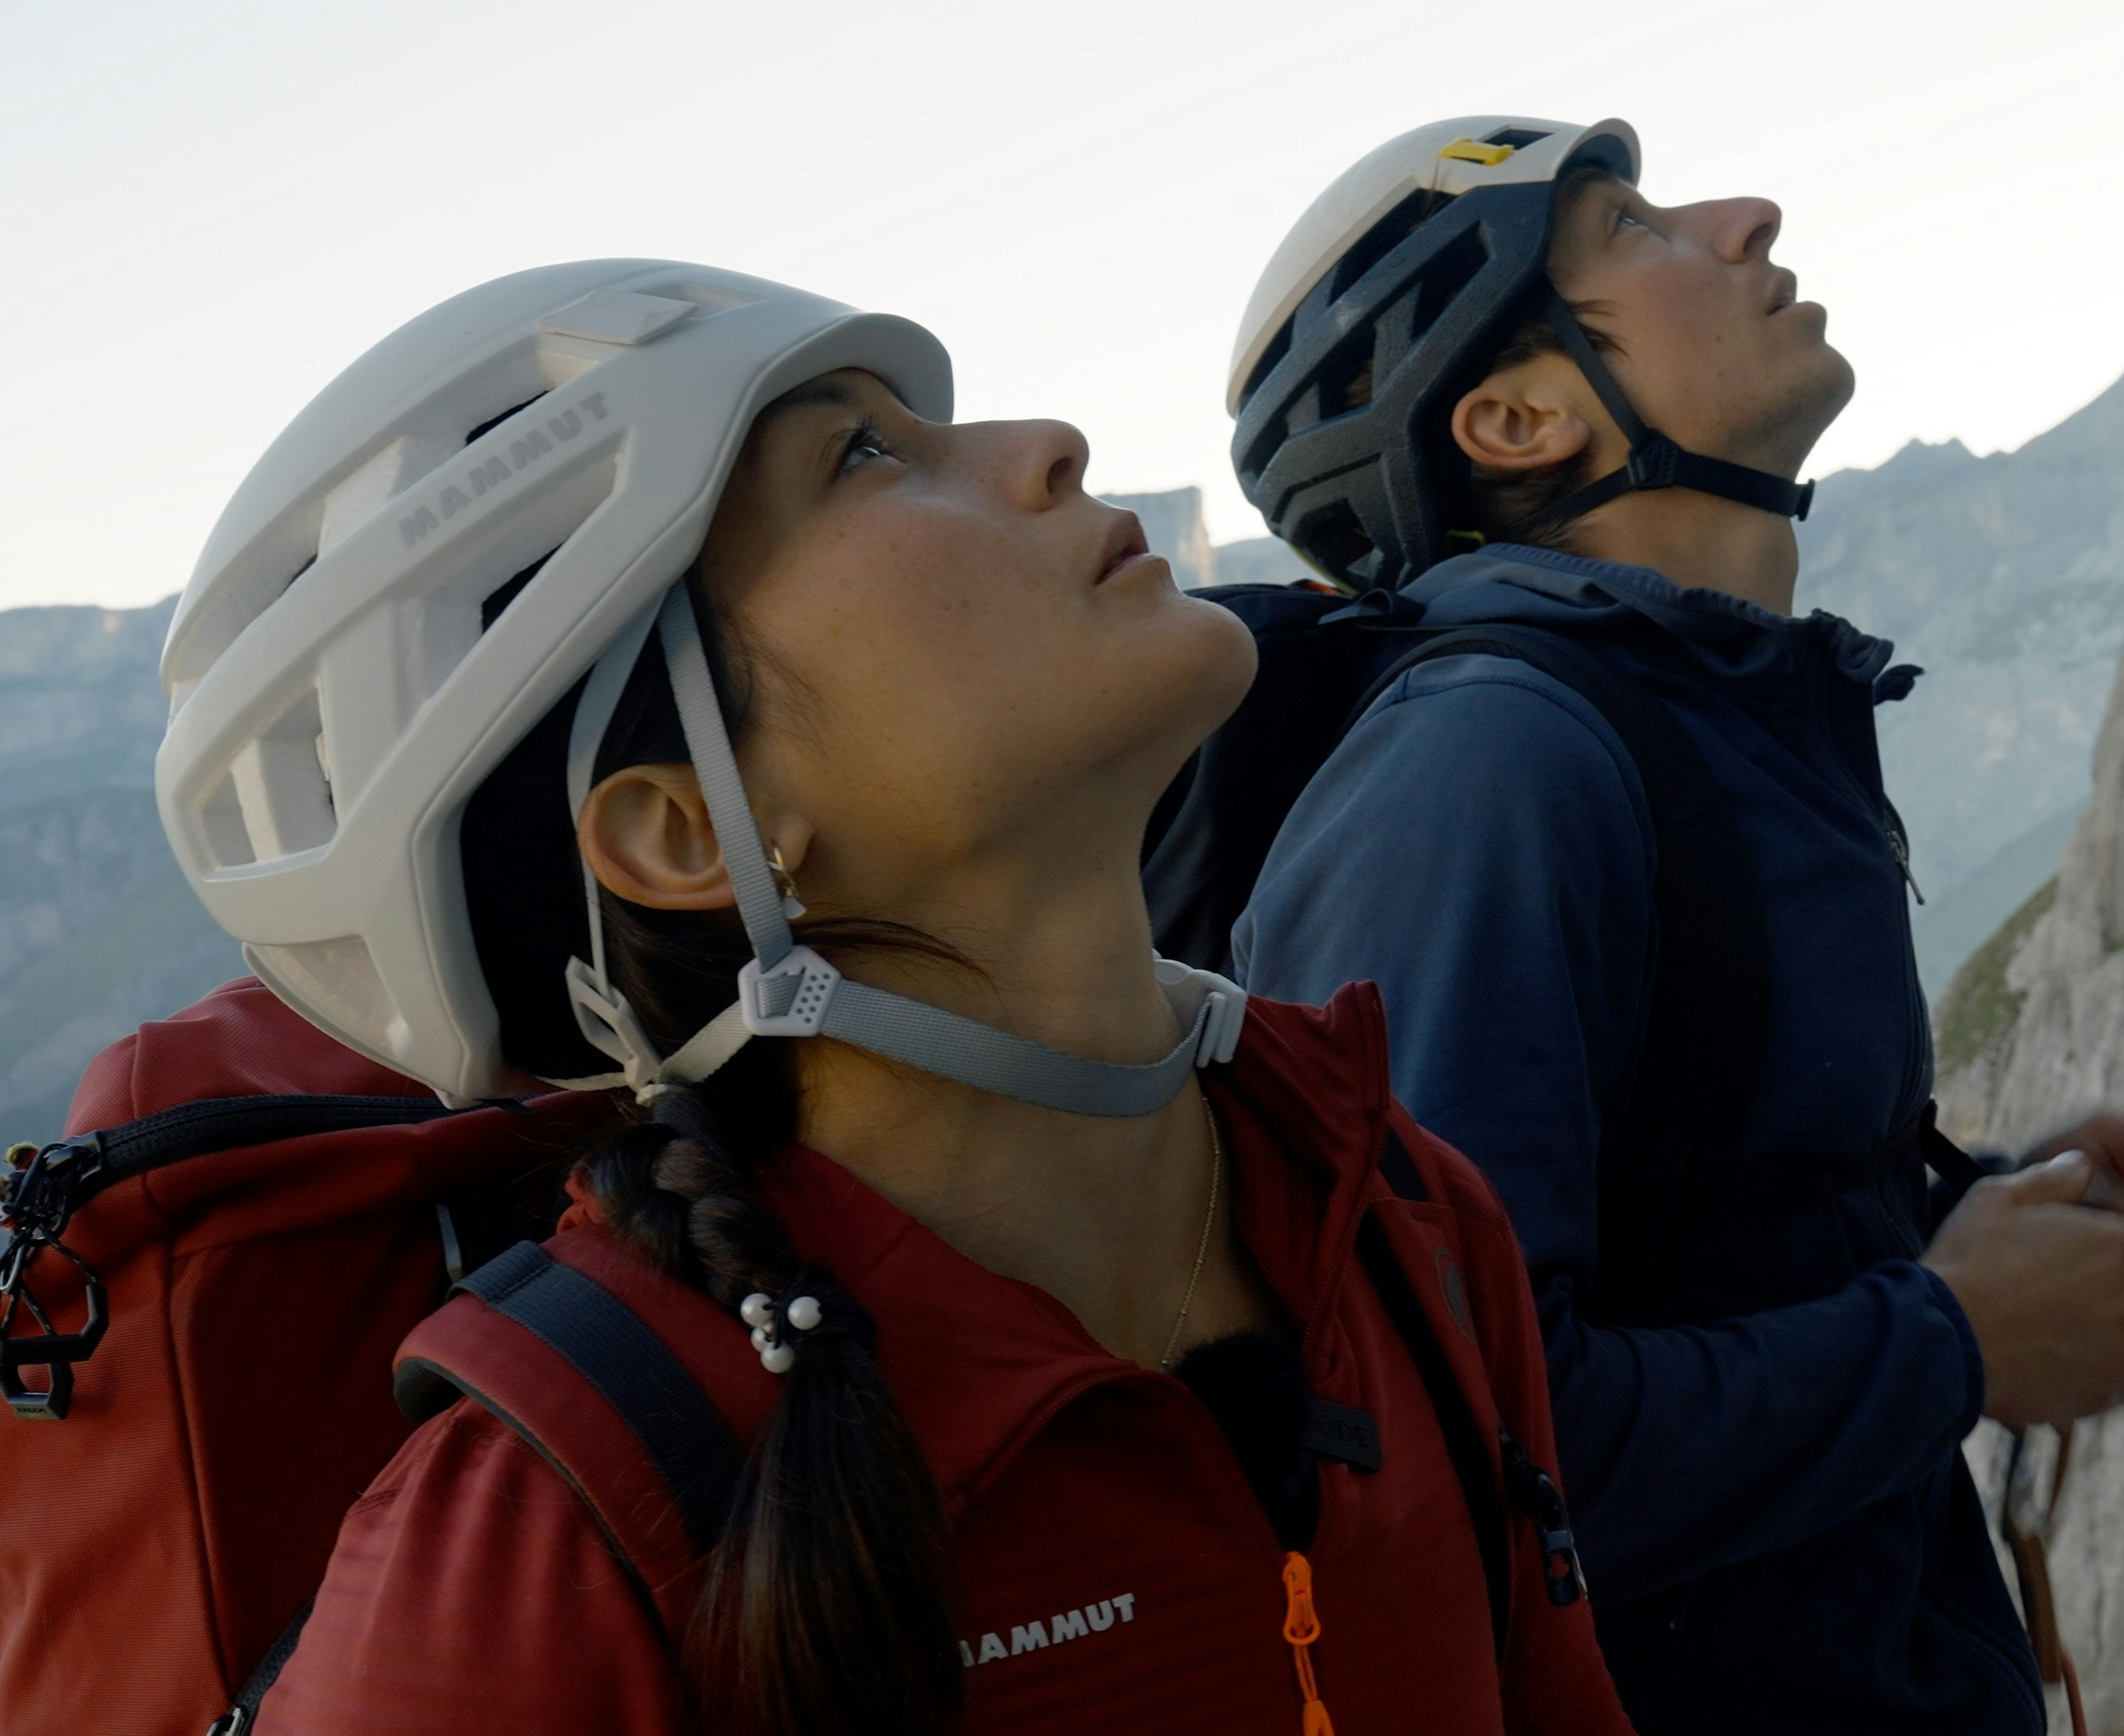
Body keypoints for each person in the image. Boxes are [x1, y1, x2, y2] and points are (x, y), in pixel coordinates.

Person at [153, 259, 1632, 1735]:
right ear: (686, 827)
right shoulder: (542, 1547)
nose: (1048, 442)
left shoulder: (1392, 1211)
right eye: (860, 453)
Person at [1223, 118, 2124, 1734]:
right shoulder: (1490, 768)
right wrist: (1947, 1338)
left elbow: (1695, 1261)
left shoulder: (1698, 712)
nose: (1741, 216)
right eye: (1629, 229)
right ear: (1518, 417)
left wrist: (1998, 1213)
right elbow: (1450, 1446)